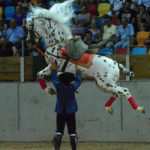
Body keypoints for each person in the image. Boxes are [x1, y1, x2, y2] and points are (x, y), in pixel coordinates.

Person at [50, 63, 82, 150]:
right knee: (72, 132)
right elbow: (79, 81)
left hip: (60, 111)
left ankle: (57, 148)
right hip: (70, 111)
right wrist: (78, 72)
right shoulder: (72, 87)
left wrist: (54, 69)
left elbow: (53, 78)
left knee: (59, 131)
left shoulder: (58, 86)